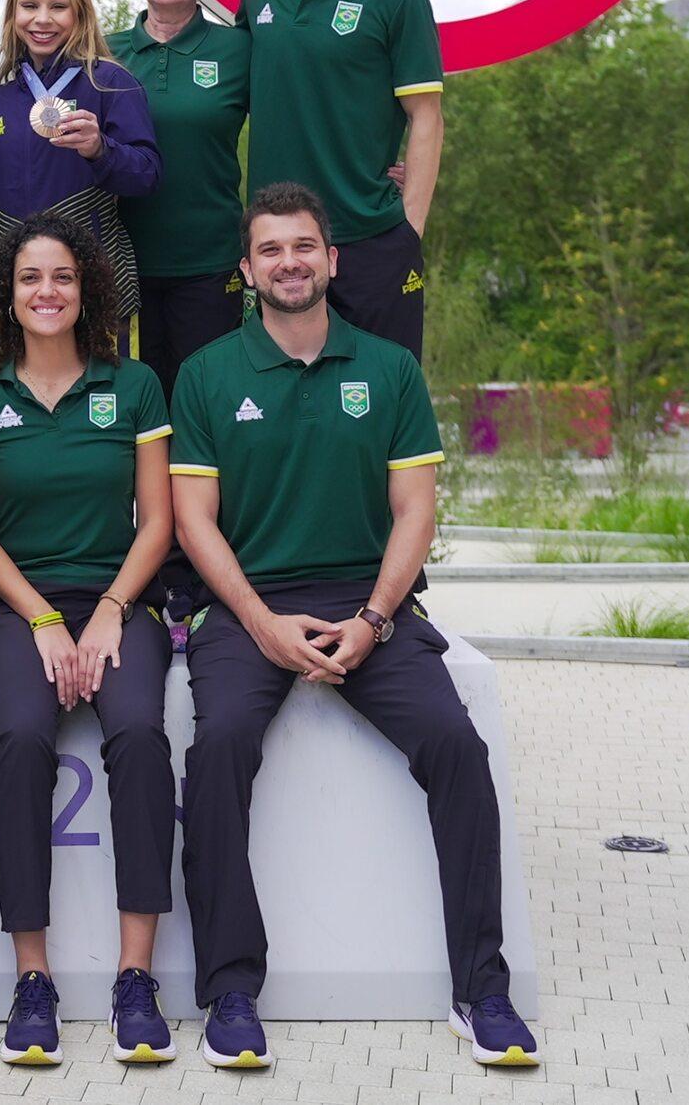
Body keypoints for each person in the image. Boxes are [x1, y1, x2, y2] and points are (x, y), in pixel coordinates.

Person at [169, 182, 537, 1070]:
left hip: (368, 600)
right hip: (248, 603)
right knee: (216, 750)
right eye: (270, 251)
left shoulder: (389, 369)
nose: (288, 262)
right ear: (247, 271)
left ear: (331, 261)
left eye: (304, 247)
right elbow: (194, 522)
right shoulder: (208, 375)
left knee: (457, 742)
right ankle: (229, 990)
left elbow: (415, 513)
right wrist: (260, 624)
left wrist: (374, 619)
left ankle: (481, 988)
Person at [0, 214, 177, 1067]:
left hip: (120, 597)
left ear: (86, 290)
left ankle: (135, 979)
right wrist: (46, 622)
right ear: (6, 297)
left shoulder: (134, 387)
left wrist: (114, 609)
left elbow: (159, 521)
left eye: (61, 276)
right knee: (19, 738)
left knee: (138, 734)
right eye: (29, 279)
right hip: (17, 605)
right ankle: (33, 980)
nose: (45, 291)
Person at [240, 0, 443, 358]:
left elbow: (426, 117)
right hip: (277, 249)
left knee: (381, 411)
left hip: (370, 241)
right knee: (282, 410)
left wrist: (410, 232)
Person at [107, 0, 251, 400]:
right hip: (118, 264)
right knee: (133, 409)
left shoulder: (238, 50)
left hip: (211, 261)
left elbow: (295, 118)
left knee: (204, 404)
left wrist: (375, 161)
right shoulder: (104, 53)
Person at [0, 0, 158, 346]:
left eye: (58, 6)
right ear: (13, 16)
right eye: (29, 6)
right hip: (22, 286)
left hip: (94, 278)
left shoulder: (111, 83)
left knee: (103, 397)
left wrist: (101, 149)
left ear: (79, 13)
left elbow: (148, 174)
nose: (42, 19)